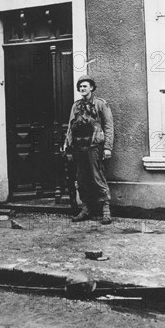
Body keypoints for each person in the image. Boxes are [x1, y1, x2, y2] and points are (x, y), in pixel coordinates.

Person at [63, 75, 114, 224]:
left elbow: (108, 126)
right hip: (79, 147)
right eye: (80, 87)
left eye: (85, 86)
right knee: (81, 178)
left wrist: (107, 147)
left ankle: (106, 209)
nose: (82, 89)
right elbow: (70, 128)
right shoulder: (76, 106)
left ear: (91, 87)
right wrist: (68, 147)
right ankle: (85, 208)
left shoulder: (100, 104)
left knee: (97, 176)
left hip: (94, 147)